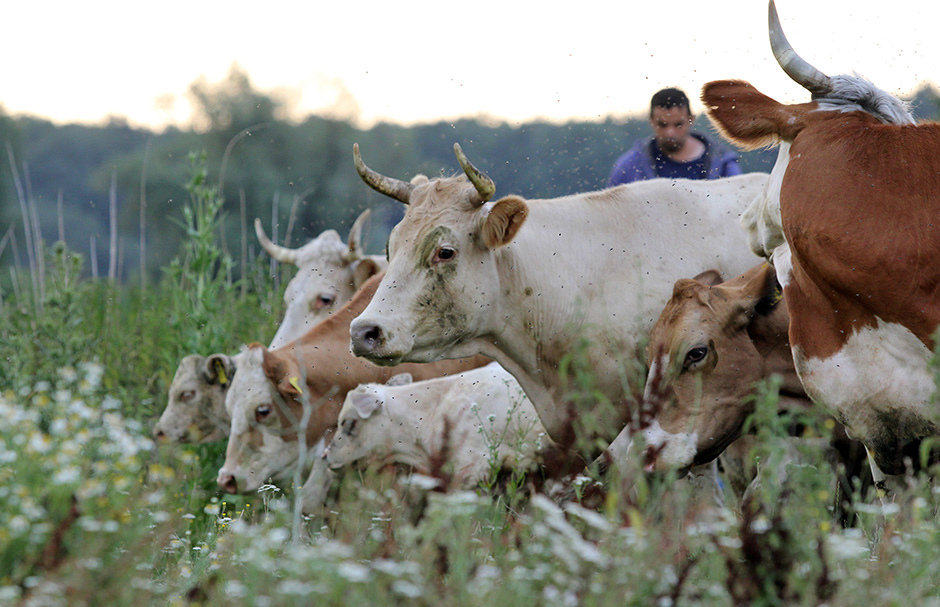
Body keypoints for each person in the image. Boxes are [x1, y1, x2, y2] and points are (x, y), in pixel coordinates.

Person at [606, 87, 742, 186]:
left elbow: (738, 214)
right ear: (651, 121)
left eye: (678, 125)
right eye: (663, 125)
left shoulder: (723, 166)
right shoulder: (629, 167)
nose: (670, 132)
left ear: (691, 120)